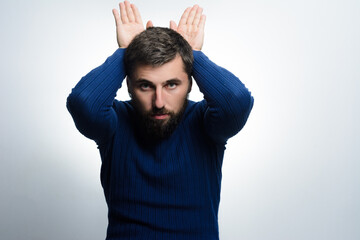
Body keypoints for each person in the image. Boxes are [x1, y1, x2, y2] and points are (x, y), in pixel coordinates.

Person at [66, 1, 254, 239]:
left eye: (171, 84)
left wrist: (194, 55)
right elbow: (84, 102)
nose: (158, 101)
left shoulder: (205, 123)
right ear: (129, 84)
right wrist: (125, 52)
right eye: (145, 85)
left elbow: (236, 101)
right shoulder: (116, 123)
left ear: (191, 81)